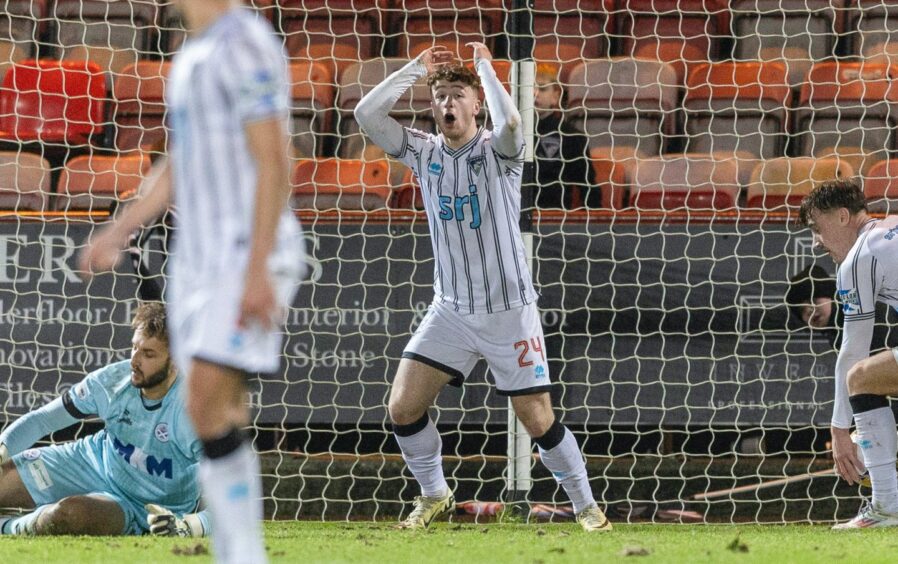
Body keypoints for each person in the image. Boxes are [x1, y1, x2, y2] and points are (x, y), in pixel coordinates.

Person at [79, 1, 305, 561]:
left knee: (204, 396)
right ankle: (239, 548)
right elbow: (180, 161)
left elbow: (275, 159)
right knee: (213, 410)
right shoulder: (191, 54)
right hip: (200, 257)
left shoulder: (244, 42)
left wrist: (256, 269)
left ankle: (241, 553)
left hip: (245, 247)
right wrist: (121, 228)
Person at [354, 43, 611, 532]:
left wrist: (486, 70)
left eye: (458, 96)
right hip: (450, 309)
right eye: (441, 96)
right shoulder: (422, 151)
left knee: (538, 418)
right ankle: (435, 495)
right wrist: (415, 70)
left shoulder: (499, 153)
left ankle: (585, 505)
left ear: (476, 105)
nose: (448, 104)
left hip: (508, 311)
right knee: (403, 407)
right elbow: (366, 114)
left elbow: (514, 124)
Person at [0, 303, 208, 537]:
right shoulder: (112, 382)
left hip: (144, 508)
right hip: (90, 463)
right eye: (134, 348)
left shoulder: (195, 411)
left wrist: (189, 526)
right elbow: (42, 420)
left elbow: (233, 493)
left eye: (148, 354)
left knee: (69, 515)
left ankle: (7, 527)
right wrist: (3, 446)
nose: (134, 360)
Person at [798, 179, 898, 528]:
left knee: (861, 376)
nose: (815, 241)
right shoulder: (889, 228)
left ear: (842, 216)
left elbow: (853, 349)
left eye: (816, 228)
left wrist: (840, 429)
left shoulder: (858, 258)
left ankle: (888, 506)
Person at [532, 63, 595, 209]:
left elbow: (588, 188)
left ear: (555, 96)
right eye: (530, 88)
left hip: (553, 218)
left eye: (542, 88)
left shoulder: (570, 136)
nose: (535, 93)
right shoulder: (511, 133)